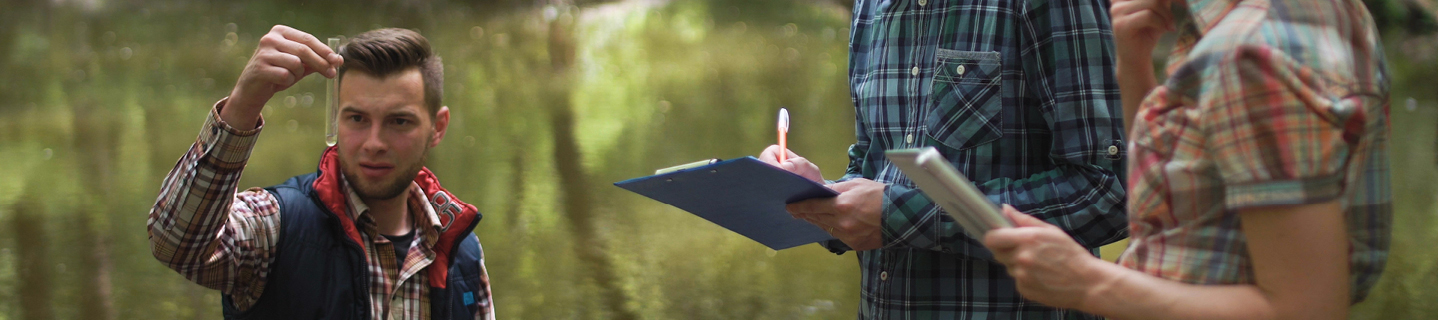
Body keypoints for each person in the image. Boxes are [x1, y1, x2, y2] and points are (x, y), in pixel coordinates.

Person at [980, 0, 1392, 317]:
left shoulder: (1247, 53)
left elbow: (1307, 309)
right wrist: (1133, 63)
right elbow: (1192, 198)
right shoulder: (1301, 15)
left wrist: (1086, 283)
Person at [760, 0, 1130, 317]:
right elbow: (872, 170)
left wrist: (898, 216)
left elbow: (1109, 193)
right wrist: (818, 193)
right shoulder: (870, 7)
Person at [148, 26, 494, 319]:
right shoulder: (278, 227)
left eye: (398, 121)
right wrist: (243, 105)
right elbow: (177, 245)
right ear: (336, 120)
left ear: (437, 127)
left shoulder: (462, 253)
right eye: (357, 119)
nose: (374, 143)